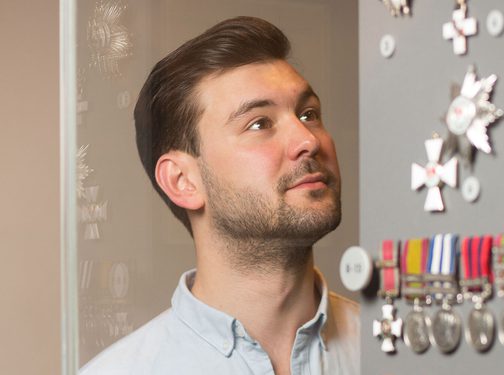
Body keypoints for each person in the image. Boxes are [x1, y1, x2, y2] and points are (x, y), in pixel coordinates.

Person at [80, 16, 359, 375]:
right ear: (182, 181)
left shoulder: (401, 355)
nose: (308, 140)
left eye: (308, 114)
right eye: (259, 123)